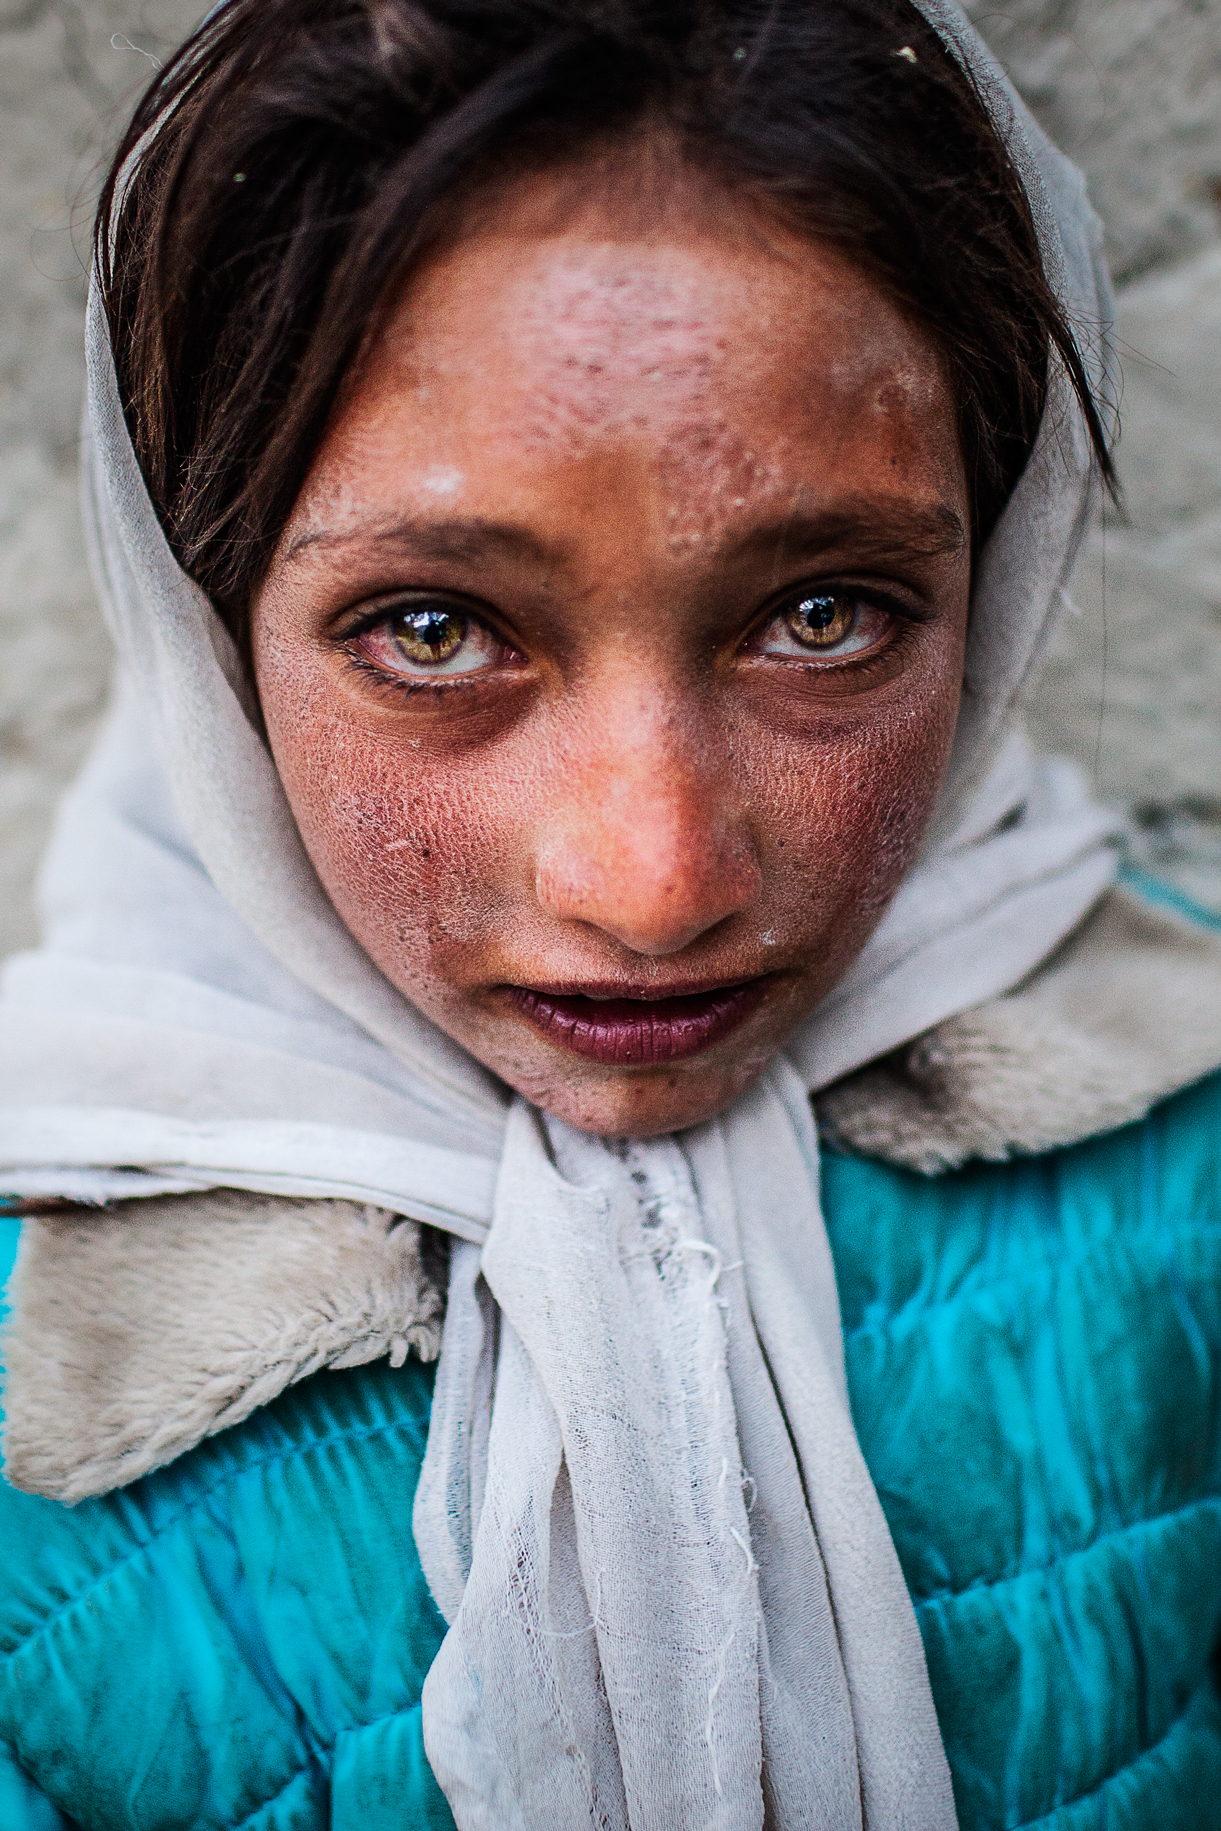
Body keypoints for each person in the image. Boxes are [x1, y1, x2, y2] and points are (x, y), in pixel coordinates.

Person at [1, 0, 1220, 1823]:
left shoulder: (1181, 1133)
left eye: (824, 614)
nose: (653, 885)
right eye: (434, 629)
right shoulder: (36, 1321)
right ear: (211, 632)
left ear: (1003, 560)